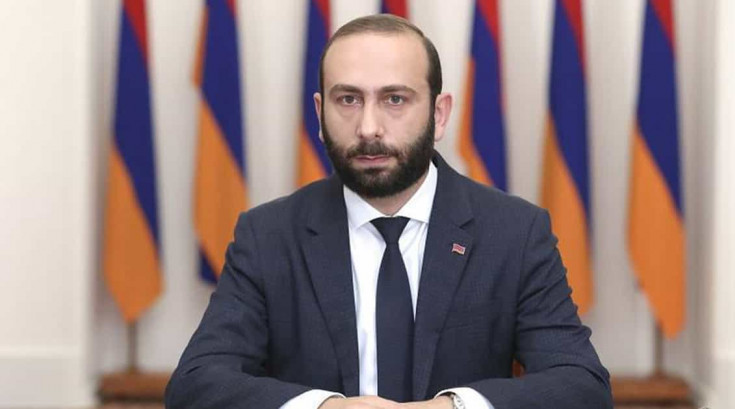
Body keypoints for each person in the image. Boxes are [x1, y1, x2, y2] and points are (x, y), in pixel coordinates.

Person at [166, 14, 611, 409]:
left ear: (439, 114)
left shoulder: (514, 232)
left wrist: (454, 407)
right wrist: (324, 408)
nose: (369, 128)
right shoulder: (269, 236)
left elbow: (581, 386)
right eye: (348, 99)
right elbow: (195, 384)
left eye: (395, 99)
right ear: (320, 114)